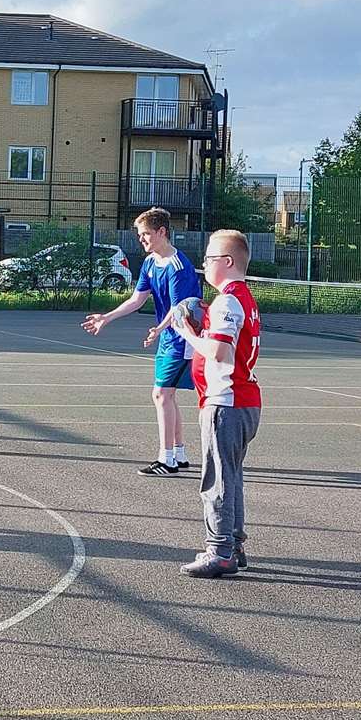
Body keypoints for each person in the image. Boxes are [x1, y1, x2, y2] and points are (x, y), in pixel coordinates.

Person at [167, 230, 262, 578]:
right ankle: (232, 543)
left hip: (227, 402)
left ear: (227, 262)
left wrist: (187, 332)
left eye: (209, 258)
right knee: (231, 475)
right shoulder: (240, 298)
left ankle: (219, 549)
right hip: (241, 400)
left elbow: (220, 352)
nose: (204, 264)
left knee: (218, 478)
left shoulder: (228, 301)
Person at [80, 208, 202, 476]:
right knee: (166, 395)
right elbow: (137, 299)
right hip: (169, 337)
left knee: (161, 394)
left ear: (162, 232)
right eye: (140, 235)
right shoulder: (150, 263)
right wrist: (107, 317)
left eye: (146, 234)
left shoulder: (178, 266)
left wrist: (159, 328)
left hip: (184, 339)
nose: (142, 240)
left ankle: (166, 460)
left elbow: (179, 307)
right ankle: (178, 455)